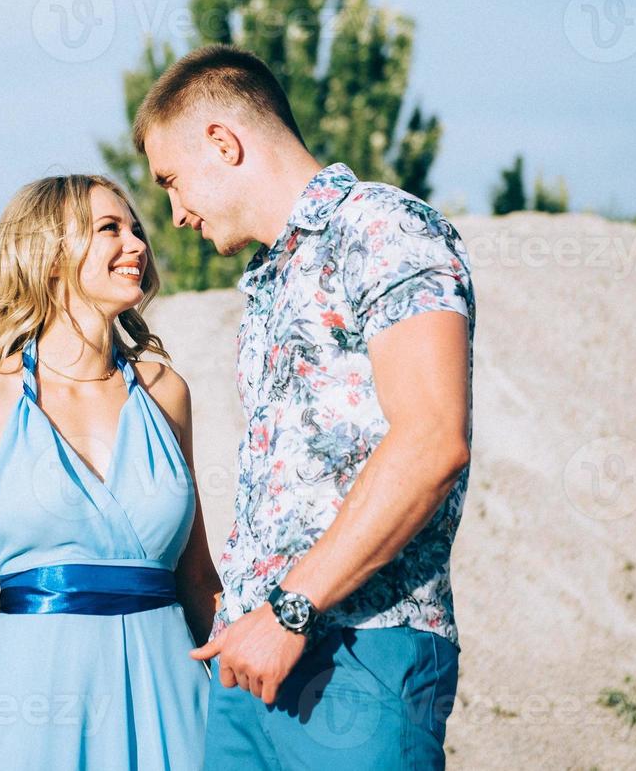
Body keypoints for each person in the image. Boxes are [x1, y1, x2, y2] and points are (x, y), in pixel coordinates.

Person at [135, 44, 475, 770]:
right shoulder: (268, 278)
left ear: (223, 144)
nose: (175, 213)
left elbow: (432, 441)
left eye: (172, 181)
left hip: (360, 650)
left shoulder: (383, 229)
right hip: (252, 659)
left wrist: (293, 608)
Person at [0, 174, 219, 770]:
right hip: (35, 701)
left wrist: (250, 713)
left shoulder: (168, 393)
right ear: (49, 254)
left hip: (174, 695)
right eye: (110, 229)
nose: (137, 243)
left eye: (136, 228)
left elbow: (198, 578)